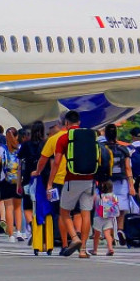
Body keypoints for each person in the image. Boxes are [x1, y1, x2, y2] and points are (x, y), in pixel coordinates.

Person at [49, 110, 97, 258]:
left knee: (64, 212)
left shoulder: (64, 138)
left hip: (71, 180)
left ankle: (74, 238)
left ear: (66, 123)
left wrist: (50, 182)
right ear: (79, 123)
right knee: (85, 213)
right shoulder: (90, 137)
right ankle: (83, 249)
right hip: (89, 179)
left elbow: (56, 162)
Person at [102, 124, 136, 245]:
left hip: (107, 182)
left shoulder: (102, 148)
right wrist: (131, 186)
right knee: (121, 210)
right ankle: (120, 230)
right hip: (122, 182)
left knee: (109, 211)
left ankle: (111, 235)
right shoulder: (123, 149)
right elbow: (128, 168)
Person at [0, 127, 24, 241]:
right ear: (17, 136)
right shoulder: (20, 148)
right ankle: (19, 231)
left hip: (5, 180)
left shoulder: (1, 149)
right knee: (18, 207)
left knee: (9, 207)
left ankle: (10, 235)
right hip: (19, 180)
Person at [93, 180, 119, 256]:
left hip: (98, 216)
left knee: (96, 235)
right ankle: (110, 248)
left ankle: (95, 250)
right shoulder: (114, 196)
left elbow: (95, 205)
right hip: (109, 216)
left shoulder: (98, 196)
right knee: (108, 234)